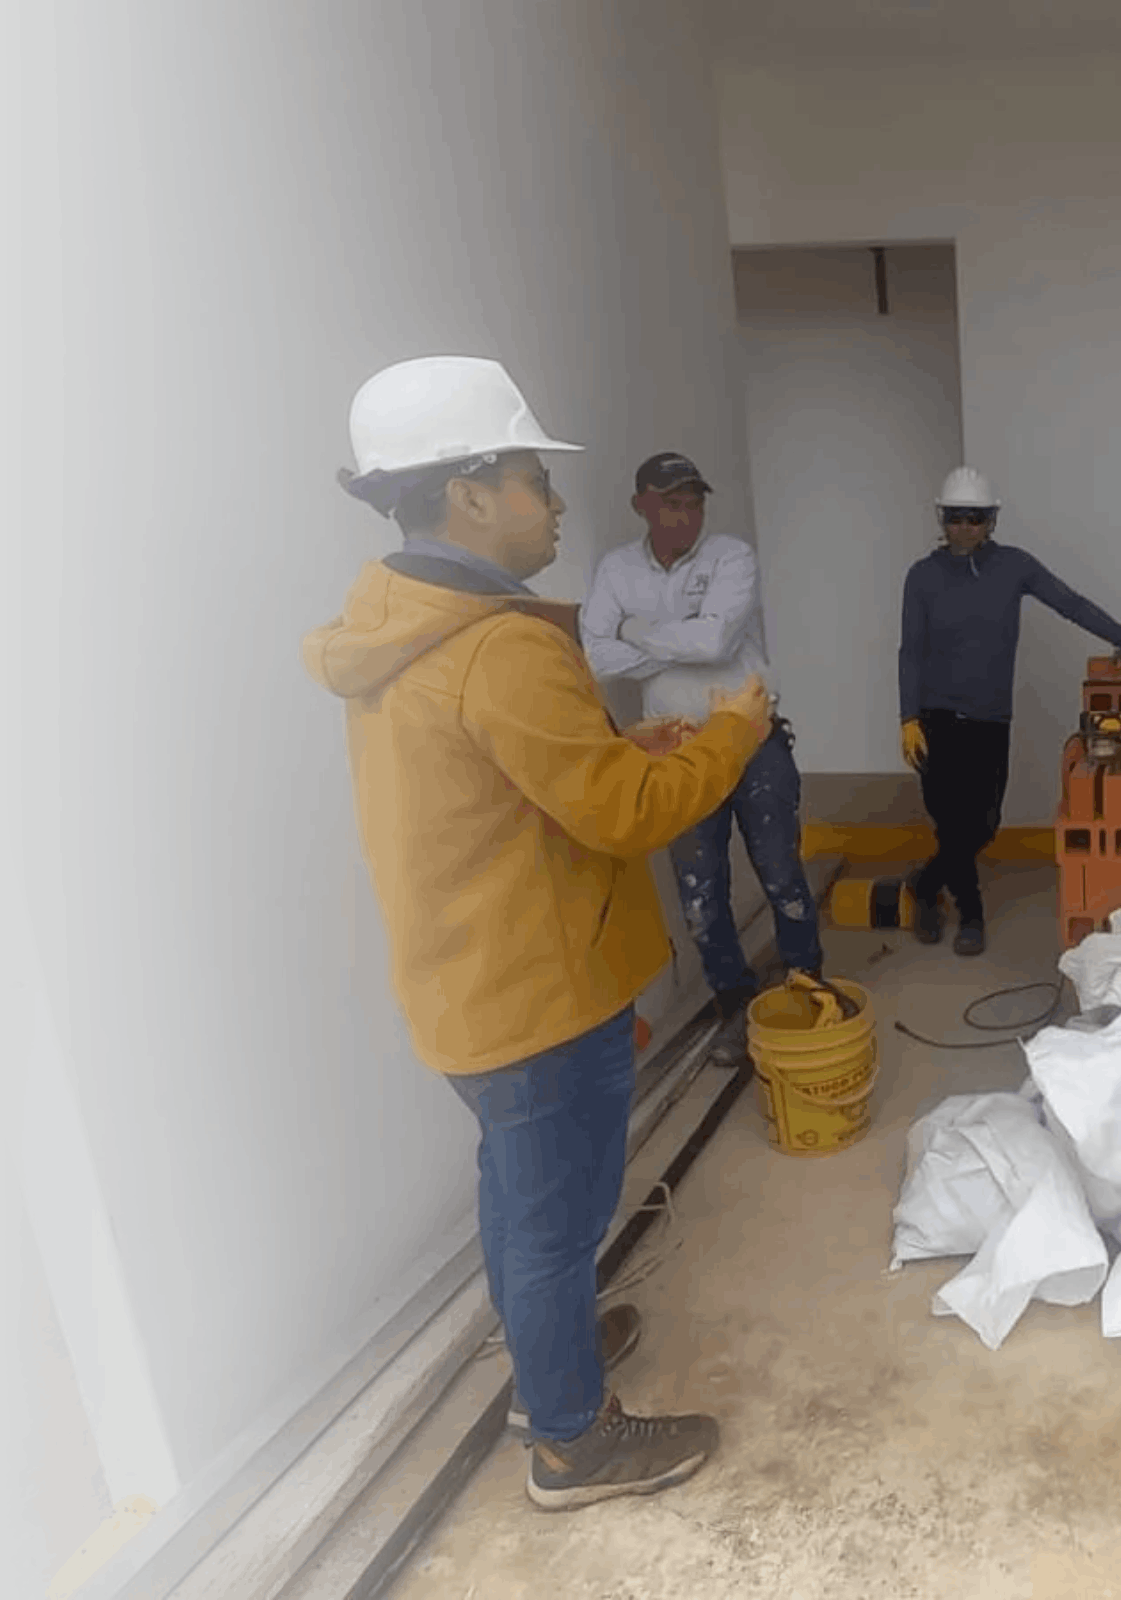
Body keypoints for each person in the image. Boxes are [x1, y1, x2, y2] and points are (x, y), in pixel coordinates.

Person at [303, 357, 774, 1511]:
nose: (554, 501)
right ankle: (570, 1437)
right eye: (529, 477)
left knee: (521, 1202)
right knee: (557, 1220)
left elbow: (525, 783)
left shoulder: (399, 630)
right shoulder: (499, 646)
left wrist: (632, 750)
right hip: (538, 993)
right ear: (466, 492)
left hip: (472, 984)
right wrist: (730, 737)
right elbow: (624, 814)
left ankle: (544, 1367)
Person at [580, 452, 823, 1067]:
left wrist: (635, 630)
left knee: (781, 873)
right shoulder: (616, 569)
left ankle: (809, 987)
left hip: (752, 736)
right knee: (699, 895)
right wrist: (678, 640)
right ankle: (736, 1006)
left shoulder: (731, 557)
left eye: (694, 502)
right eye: (671, 502)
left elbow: (714, 641)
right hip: (677, 747)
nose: (686, 514)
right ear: (642, 504)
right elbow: (597, 658)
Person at [899, 466, 1121, 956]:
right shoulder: (922, 577)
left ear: (991, 521)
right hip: (936, 719)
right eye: (956, 518)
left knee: (983, 825)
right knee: (952, 822)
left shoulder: (1014, 567)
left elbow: (1071, 603)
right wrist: (907, 718)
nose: (965, 527)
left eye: (975, 518)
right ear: (942, 518)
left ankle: (923, 884)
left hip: (989, 720)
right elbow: (910, 651)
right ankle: (972, 916)